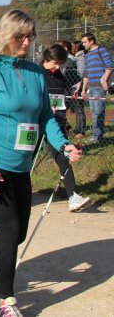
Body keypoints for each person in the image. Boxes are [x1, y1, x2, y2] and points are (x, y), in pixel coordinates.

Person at [0, 10, 82, 316]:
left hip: (20, 166)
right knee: (10, 232)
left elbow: (45, 116)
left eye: (30, 37)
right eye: (20, 36)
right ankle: (7, 301)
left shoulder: (35, 72)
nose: (27, 42)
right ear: (6, 35)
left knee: (17, 234)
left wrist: (63, 144)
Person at [41, 44, 93, 212]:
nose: (57, 67)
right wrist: (44, 107)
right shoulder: (36, 74)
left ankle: (73, 197)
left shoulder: (59, 76)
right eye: (55, 63)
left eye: (60, 64)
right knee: (25, 158)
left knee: (63, 157)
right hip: (36, 123)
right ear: (46, 59)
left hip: (56, 123)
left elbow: (62, 97)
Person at [80, 33, 112, 144]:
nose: (83, 44)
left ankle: (97, 137)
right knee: (93, 111)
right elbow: (86, 73)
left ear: (91, 41)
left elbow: (109, 66)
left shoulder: (101, 50)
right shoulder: (87, 55)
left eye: (85, 42)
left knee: (98, 111)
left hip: (99, 86)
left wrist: (104, 80)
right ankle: (97, 135)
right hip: (91, 86)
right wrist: (84, 88)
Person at [59, 40, 86, 137]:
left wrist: (78, 86)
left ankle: (80, 131)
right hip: (65, 89)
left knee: (78, 109)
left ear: (65, 49)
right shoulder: (62, 60)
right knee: (61, 109)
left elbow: (79, 74)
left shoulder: (72, 60)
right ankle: (65, 128)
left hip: (74, 87)